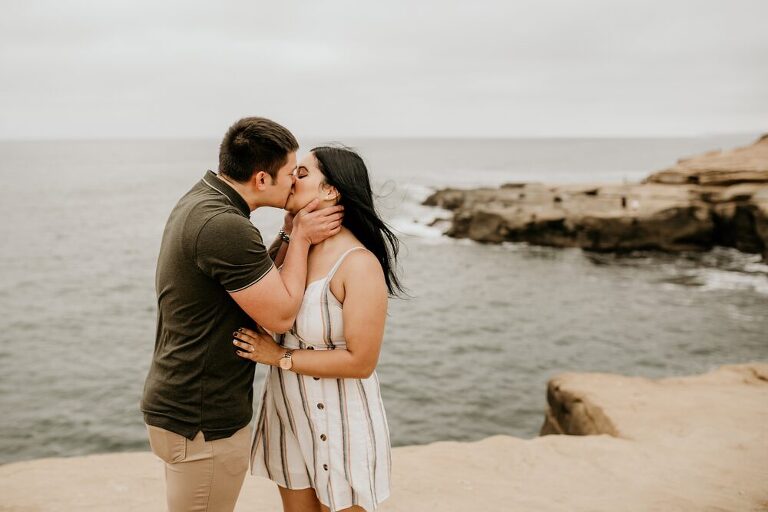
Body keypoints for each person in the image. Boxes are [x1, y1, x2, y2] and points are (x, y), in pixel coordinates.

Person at [140, 117, 344, 512]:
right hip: (203, 419)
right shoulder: (225, 226)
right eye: (290, 173)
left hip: (180, 404)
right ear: (263, 179)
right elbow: (281, 316)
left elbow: (249, 283)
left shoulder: (202, 199)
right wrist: (301, 238)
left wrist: (286, 236)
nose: (296, 183)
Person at [232, 146, 403, 512]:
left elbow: (361, 362)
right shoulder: (297, 249)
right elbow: (263, 307)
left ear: (331, 191)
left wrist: (280, 356)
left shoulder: (358, 264)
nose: (291, 178)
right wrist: (291, 235)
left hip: (343, 425)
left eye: (304, 173)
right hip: (288, 417)